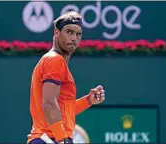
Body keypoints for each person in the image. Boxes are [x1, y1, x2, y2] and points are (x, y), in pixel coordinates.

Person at [27, 11, 105, 144]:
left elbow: (63, 110)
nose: (74, 38)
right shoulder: (55, 60)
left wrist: (88, 101)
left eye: (78, 34)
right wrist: (61, 139)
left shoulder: (54, 61)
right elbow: (49, 103)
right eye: (69, 32)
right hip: (51, 139)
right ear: (56, 33)